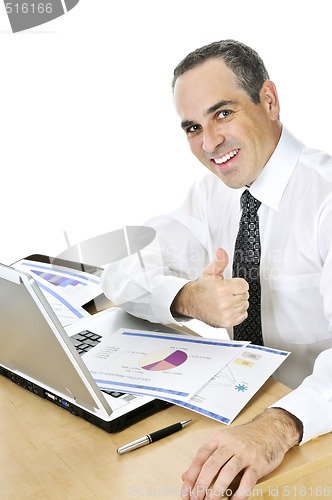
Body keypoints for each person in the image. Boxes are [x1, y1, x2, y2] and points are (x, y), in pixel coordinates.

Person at [101, 39, 332, 499]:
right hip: (244, 407)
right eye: (192, 127)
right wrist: (187, 297)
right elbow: (119, 270)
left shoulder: (325, 198)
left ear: (268, 100)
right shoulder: (213, 195)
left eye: (222, 113)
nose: (208, 144)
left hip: (313, 429)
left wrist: (278, 426)